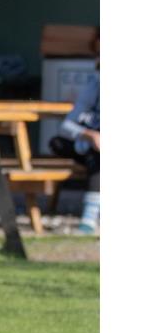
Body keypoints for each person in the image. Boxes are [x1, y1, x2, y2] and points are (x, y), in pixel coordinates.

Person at [51, 69, 100, 234]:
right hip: (91, 147)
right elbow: (66, 126)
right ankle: (90, 216)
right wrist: (88, 135)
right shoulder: (95, 87)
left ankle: (90, 216)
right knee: (97, 153)